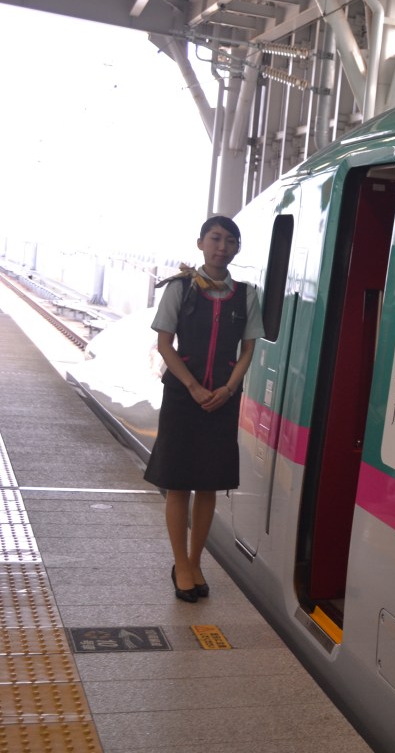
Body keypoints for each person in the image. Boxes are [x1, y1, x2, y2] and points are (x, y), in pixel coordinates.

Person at [144, 216, 263, 601]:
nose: (222, 247)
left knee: (208, 483)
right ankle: (181, 563)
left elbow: (248, 350)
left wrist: (229, 389)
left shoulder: (246, 295)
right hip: (183, 398)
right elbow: (165, 345)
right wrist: (193, 386)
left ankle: (196, 561)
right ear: (201, 243)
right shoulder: (180, 288)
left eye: (230, 241)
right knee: (178, 482)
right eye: (215, 239)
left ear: (237, 248)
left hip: (222, 400)